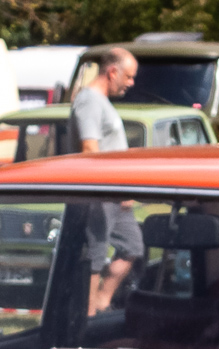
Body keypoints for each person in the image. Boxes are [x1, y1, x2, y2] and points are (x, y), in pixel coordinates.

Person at [71, 47, 144, 315]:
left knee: (132, 246)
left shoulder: (102, 102)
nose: (130, 83)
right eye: (128, 77)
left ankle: (102, 301)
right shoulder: (89, 100)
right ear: (112, 72)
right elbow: (89, 149)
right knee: (95, 254)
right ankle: (87, 314)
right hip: (99, 192)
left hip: (115, 193)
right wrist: (110, 183)